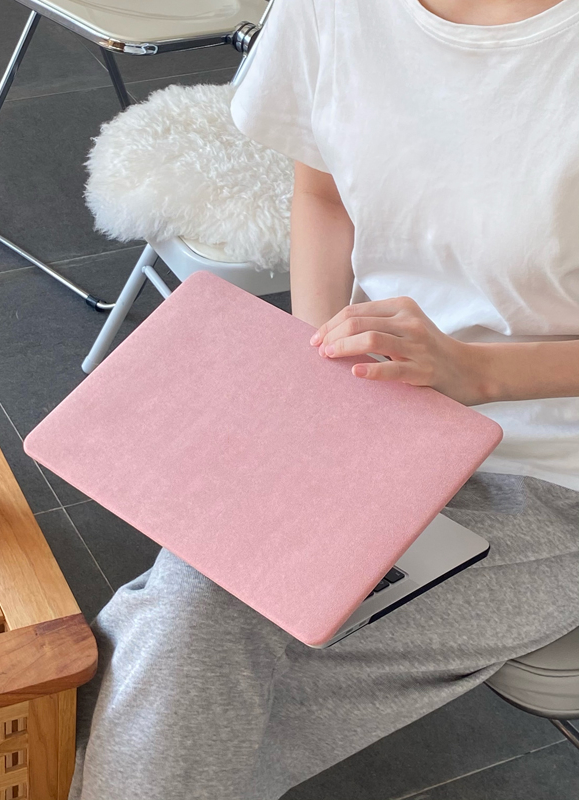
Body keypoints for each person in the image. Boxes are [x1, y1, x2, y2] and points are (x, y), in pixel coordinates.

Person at [68, 1, 579, 798]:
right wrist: (311, 391)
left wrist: (477, 373)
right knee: (197, 615)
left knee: (178, 656)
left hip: (547, 474)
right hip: (378, 416)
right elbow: (324, 198)